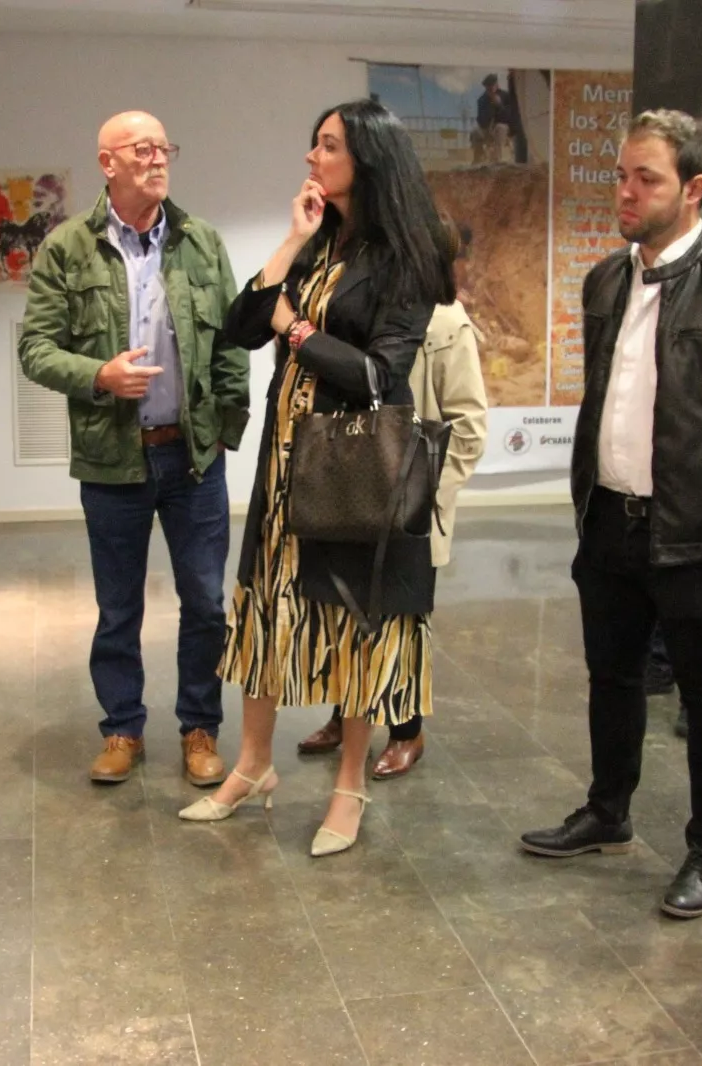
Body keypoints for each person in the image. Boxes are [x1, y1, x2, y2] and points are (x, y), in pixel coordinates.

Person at [519, 110, 702, 920]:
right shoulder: (607, 280)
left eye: (647, 178)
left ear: (694, 188)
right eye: (620, 175)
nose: (626, 192)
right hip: (611, 517)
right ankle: (607, 812)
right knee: (612, 677)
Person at [178, 99, 454, 856]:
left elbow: (376, 374)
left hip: (354, 466)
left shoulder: (408, 256)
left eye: (328, 146)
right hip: (286, 461)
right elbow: (242, 326)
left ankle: (349, 785)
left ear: (368, 157)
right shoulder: (320, 241)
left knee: (352, 620)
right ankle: (252, 765)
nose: (312, 157)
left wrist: (296, 329)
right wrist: (293, 239)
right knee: (265, 608)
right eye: (314, 144)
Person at [18, 111, 250, 788]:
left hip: (193, 459)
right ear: (107, 163)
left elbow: (232, 343)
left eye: (163, 148)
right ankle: (122, 729)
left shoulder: (200, 241)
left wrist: (224, 429)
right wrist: (99, 375)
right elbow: (35, 349)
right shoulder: (67, 248)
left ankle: (200, 728)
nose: (158, 159)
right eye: (142, 149)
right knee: (118, 607)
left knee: (205, 601)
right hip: (112, 457)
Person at [297, 215, 489, 779]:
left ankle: (407, 730)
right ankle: (345, 713)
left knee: (403, 618)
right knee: (345, 608)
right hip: (356, 488)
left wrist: (423, 496)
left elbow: (469, 425)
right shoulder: (370, 312)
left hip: (409, 506)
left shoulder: (447, 322)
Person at [472, 73, 522, 165]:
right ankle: (478, 159)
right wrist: (489, 109)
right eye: (488, 87)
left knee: (500, 127)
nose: (490, 89)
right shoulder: (482, 100)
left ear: (497, 84)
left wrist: (500, 106)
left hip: (503, 130)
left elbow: (510, 117)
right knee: (475, 132)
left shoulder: (506, 96)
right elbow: (480, 120)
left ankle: (497, 159)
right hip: (487, 129)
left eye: (492, 86)